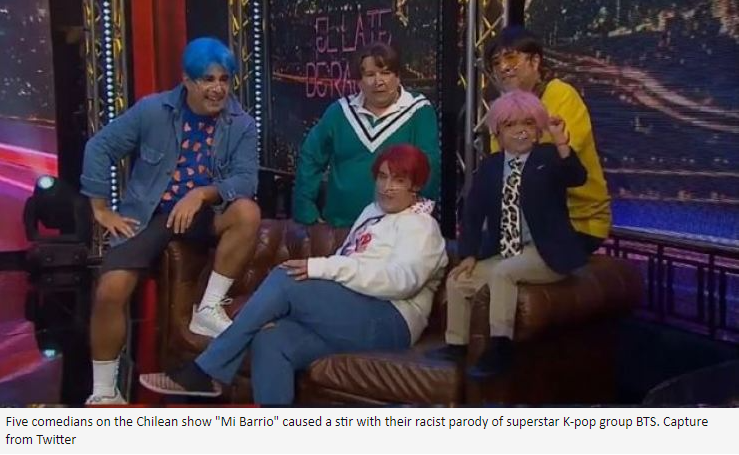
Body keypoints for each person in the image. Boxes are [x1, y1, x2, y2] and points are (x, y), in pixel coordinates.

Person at [139, 144, 448, 404]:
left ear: (415, 186)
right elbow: (350, 261)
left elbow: (399, 282)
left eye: (398, 180)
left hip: (391, 321)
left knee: (286, 278)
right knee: (271, 339)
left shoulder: (422, 227)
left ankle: (206, 371)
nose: (387, 187)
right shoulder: (373, 212)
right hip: (352, 315)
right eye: (382, 177)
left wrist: (321, 268)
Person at [80, 37, 261, 404]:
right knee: (110, 291)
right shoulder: (153, 110)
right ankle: (104, 393)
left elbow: (246, 180)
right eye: (207, 79)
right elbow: (99, 147)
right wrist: (100, 208)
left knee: (247, 211)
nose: (217, 89)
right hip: (150, 213)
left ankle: (208, 309)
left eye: (224, 79)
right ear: (187, 81)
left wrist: (203, 193)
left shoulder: (241, 124)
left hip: (206, 215)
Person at [426, 90, 588, 378]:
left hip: (545, 253)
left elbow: (576, 177)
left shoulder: (549, 157)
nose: (520, 131)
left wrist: (561, 142)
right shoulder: (490, 166)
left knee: (504, 272)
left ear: (538, 130)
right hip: (504, 251)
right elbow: (473, 213)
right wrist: (469, 254)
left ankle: (500, 348)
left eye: (528, 123)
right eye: (510, 125)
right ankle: (456, 346)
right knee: (458, 280)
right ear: (498, 133)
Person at [487, 26, 611, 254]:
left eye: (511, 58)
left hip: (577, 222)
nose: (503, 67)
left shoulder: (561, 95)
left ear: (535, 62)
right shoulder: (501, 111)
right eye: (496, 63)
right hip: (526, 221)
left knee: (503, 267)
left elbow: (557, 166)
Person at [292, 41, 441, 228]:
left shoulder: (418, 111)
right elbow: (310, 158)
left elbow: (429, 165)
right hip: (341, 227)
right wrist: (306, 213)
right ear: (359, 81)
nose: (378, 81)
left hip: (398, 228)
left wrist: (417, 216)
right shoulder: (339, 112)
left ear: (398, 77)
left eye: (386, 73)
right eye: (370, 75)